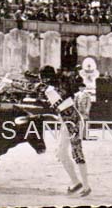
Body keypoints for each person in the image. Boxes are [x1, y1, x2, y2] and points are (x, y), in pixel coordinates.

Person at [39, 66, 92, 197]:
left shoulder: (49, 88)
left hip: (71, 121)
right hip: (68, 120)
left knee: (76, 152)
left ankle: (86, 186)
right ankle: (76, 183)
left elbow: (30, 87)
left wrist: (10, 83)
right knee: (62, 153)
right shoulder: (59, 83)